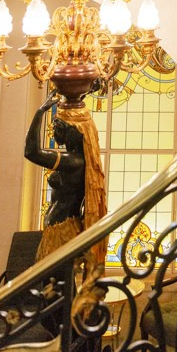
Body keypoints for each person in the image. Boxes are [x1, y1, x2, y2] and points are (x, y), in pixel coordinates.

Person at [25, 93, 107, 265]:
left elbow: (31, 152)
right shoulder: (75, 158)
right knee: (57, 285)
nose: (53, 127)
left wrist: (40, 112)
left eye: (57, 124)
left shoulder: (74, 161)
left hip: (62, 230)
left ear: (71, 129)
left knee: (55, 285)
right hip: (59, 228)